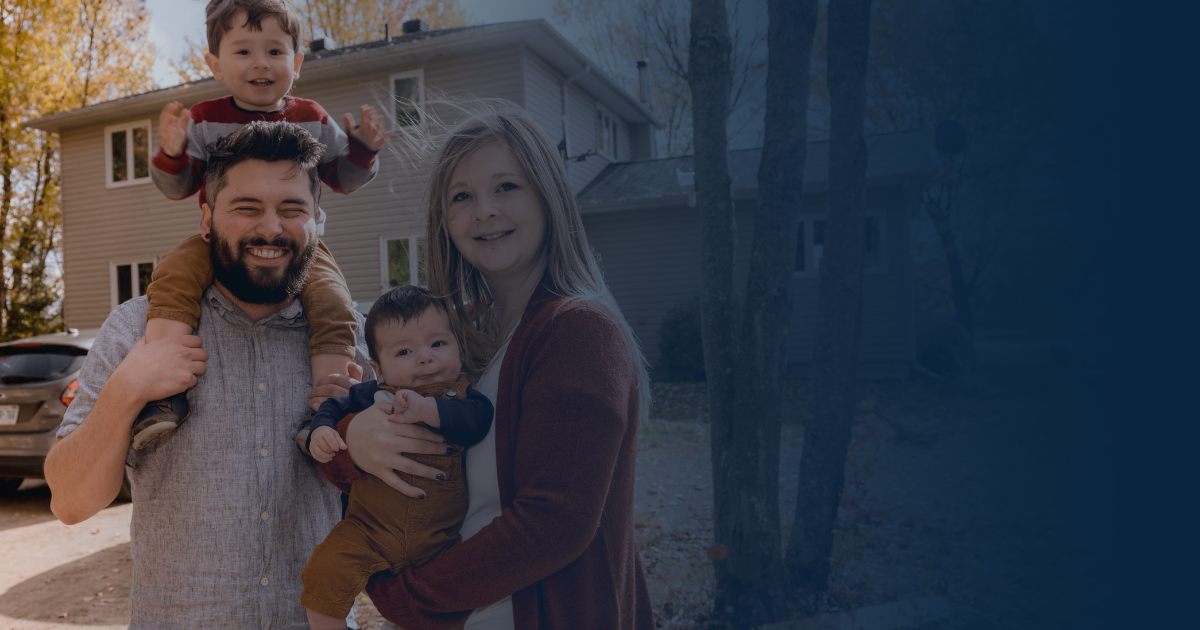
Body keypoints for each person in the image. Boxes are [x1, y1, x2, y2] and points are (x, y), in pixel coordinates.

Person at [42, 121, 442, 630]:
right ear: (207, 217)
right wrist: (127, 388)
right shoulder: (135, 331)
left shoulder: (360, 345)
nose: (270, 229)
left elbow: (424, 491)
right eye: (247, 208)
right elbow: (71, 503)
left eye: (292, 209)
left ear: (317, 219)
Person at [320, 105, 657, 629]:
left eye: (506, 187)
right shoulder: (455, 339)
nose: (484, 211)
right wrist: (353, 430)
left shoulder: (578, 332)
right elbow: (380, 445)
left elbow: (553, 524)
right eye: (462, 197)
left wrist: (403, 596)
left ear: (548, 196)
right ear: (444, 219)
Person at [134, 0, 391, 448]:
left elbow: (342, 178)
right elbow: (177, 187)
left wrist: (363, 149)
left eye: (275, 52)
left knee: (333, 300)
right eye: (243, 52)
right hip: (218, 240)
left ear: (297, 62)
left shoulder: (312, 118)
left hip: (301, 248)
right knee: (173, 277)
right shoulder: (203, 119)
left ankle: (327, 409)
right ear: (214, 63)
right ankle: (161, 395)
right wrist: (172, 155)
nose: (261, 64)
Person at [300, 285, 494, 630]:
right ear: (379, 369)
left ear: (458, 348)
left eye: (438, 344)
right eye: (404, 351)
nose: (425, 357)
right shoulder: (372, 394)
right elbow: (332, 405)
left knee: (449, 610)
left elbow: (478, 422)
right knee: (325, 572)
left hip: (440, 540)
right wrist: (322, 431)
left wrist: (431, 409)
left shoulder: (465, 396)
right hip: (370, 529)